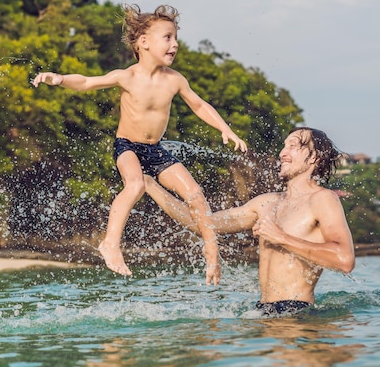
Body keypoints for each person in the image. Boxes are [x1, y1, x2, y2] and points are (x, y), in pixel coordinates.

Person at [32, 4, 247, 284]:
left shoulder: (175, 80)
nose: (175, 44)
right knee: (134, 185)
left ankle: (212, 257)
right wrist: (59, 79)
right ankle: (110, 243)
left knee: (195, 193)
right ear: (143, 43)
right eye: (167, 37)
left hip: (156, 150)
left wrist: (224, 129)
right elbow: (86, 82)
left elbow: (199, 104)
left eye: (175, 38)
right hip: (128, 147)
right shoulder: (127, 76)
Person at [144, 127, 355, 315]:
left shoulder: (323, 199)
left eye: (293, 146)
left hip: (297, 314)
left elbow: (344, 260)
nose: (283, 153)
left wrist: (281, 238)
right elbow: (205, 224)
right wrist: (150, 185)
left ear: (314, 158)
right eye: (283, 146)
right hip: (261, 311)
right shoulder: (265, 203)